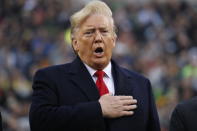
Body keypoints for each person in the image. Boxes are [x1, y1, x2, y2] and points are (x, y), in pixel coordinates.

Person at [29, 1, 160, 131]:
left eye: (104, 31)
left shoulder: (141, 85)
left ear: (113, 40)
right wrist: (98, 109)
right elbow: (39, 122)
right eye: (89, 32)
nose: (98, 38)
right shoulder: (50, 78)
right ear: (75, 44)